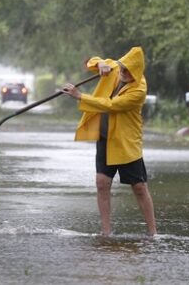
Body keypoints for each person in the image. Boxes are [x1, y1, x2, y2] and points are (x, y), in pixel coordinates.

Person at [61, 46, 157, 236]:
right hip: (105, 137)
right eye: (122, 68)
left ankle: (153, 233)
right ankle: (106, 232)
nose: (122, 73)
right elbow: (90, 62)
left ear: (136, 72)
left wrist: (80, 96)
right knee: (102, 183)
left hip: (125, 142)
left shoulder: (139, 90)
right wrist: (101, 63)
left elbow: (111, 105)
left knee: (139, 187)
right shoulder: (117, 68)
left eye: (127, 71)